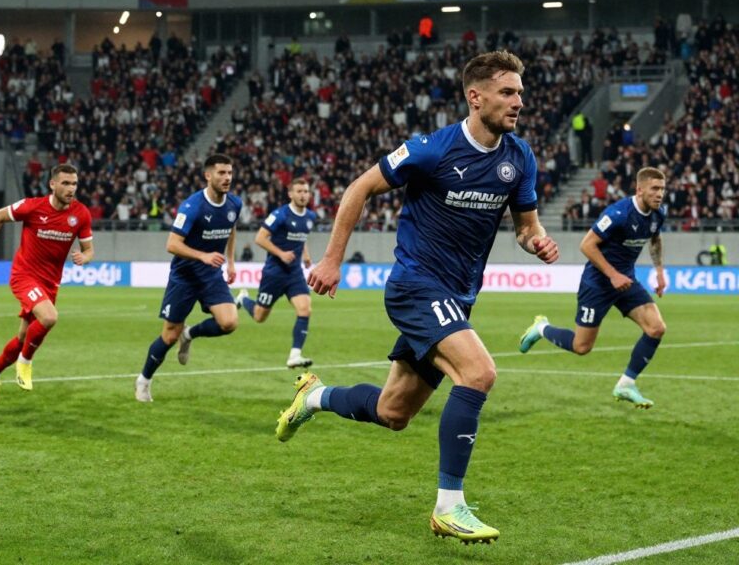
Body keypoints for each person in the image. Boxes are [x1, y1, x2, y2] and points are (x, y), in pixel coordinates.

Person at [274, 51, 559, 544]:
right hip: (415, 286)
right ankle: (450, 506)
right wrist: (332, 260)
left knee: (393, 413)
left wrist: (536, 241)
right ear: (476, 97)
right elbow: (359, 188)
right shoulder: (433, 149)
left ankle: (313, 397)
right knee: (480, 373)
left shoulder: (520, 158)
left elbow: (525, 226)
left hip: (458, 296)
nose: (519, 101)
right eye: (508, 92)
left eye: (520, 92)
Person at [520, 167, 668, 408]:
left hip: (625, 280)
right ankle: (541, 328)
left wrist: (659, 271)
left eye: (662, 189)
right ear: (640, 189)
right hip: (598, 282)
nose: (660, 194)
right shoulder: (619, 213)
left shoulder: (657, 214)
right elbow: (587, 245)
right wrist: (612, 275)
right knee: (582, 346)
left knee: (656, 328)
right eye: (655, 188)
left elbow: (655, 238)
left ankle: (626, 384)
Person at [0, 164, 93, 403]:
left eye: (74, 184)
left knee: (22, 339)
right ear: (52, 184)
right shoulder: (33, 206)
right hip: (24, 275)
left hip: (50, 283)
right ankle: (25, 363)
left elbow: (89, 249)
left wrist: (85, 257)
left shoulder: (80, 214)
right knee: (49, 317)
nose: (71, 189)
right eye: (65, 183)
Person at [134, 154, 241, 403]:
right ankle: (144, 380)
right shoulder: (192, 207)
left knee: (229, 322)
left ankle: (190, 334)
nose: (227, 178)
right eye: (221, 173)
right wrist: (202, 256)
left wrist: (232, 260)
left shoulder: (235, 204)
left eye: (229, 173)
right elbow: (171, 244)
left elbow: (232, 228)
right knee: (169, 335)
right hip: (185, 276)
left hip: (211, 275)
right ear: (208, 175)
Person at [235, 178, 317, 368]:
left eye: (306, 191)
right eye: (299, 191)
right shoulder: (280, 215)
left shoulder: (310, 217)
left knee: (305, 309)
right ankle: (243, 299)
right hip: (274, 273)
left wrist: (305, 255)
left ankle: (295, 355)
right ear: (290, 194)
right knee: (259, 316)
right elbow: (260, 238)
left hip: (294, 273)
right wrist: (280, 253)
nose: (303, 195)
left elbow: (301, 238)